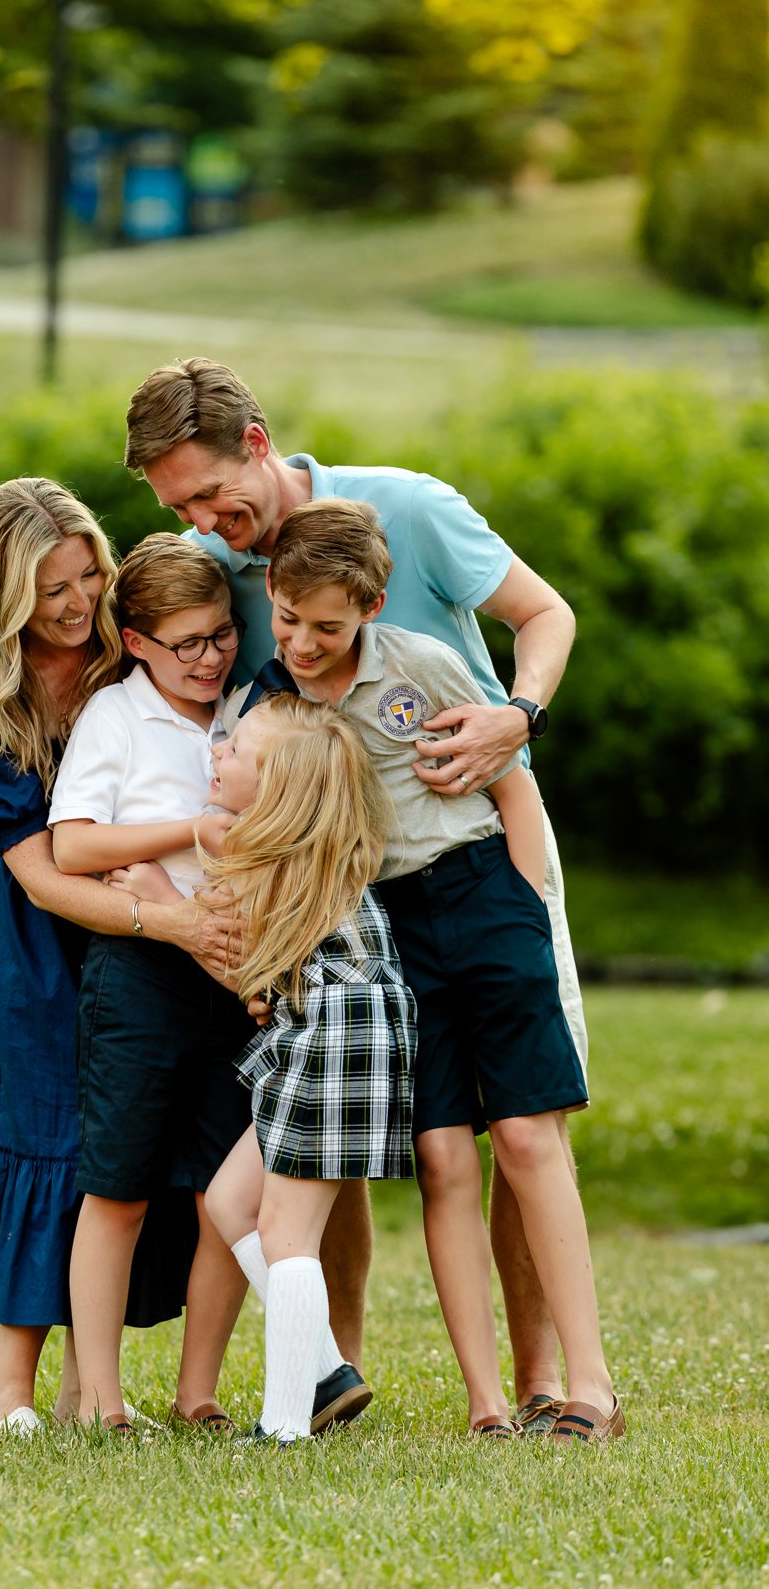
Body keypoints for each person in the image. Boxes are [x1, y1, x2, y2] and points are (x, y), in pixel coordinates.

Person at [125, 356, 584, 1432]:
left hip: (477, 847)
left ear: (255, 441)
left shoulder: (409, 509)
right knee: (359, 1127)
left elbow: (544, 613)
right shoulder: (219, 566)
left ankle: (542, 1379)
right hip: (349, 902)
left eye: (209, 493)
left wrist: (516, 715)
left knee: (520, 1124)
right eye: (177, 507)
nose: (202, 522)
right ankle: (335, 1364)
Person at [223, 499, 622, 1443]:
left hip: (482, 894)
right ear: (269, 594)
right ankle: (485, 1404)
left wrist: (526, 908)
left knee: (525, 1138)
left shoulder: (421, 665)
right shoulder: (272, 705)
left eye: (329, 626)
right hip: (391, 930)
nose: (305, 641)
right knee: (442, 1157)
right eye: (287, 619)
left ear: (374, 604)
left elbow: (510, 784)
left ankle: (590, 1389)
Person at [0, 478, 235, 1435]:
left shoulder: (129, 659)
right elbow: (41, 874)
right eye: (51, 589)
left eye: (87, 575)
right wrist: (166, 921)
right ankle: (7, 1382)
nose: (77, 603)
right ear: (7, 594)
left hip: (150, 924)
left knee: (128, 1144)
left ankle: (88, 1384)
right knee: (49, 1129)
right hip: (47, 932)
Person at [47, 532, 257, 1434]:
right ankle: (99, 1395)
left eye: (219, 636)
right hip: (138, 973)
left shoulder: (248, 708)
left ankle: (197, 1389)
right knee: (120, 1184)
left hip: (235, 972)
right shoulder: (116, 718)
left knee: (225, 1193)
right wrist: (191, 832)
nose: (208, 659)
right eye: (186, 644)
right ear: (135, 642)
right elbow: (74, 845)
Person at [197, 694, 416, 1445]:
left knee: (287, 1235)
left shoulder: (259, 856)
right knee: (229, 1201)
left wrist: (152, 894)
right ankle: (325, 1372)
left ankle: (285, 1425)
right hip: (326, 1035)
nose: (218, 754)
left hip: (334, 1041)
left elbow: (241, 968)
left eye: (235, 753)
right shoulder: (312, 851)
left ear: (275, 794)